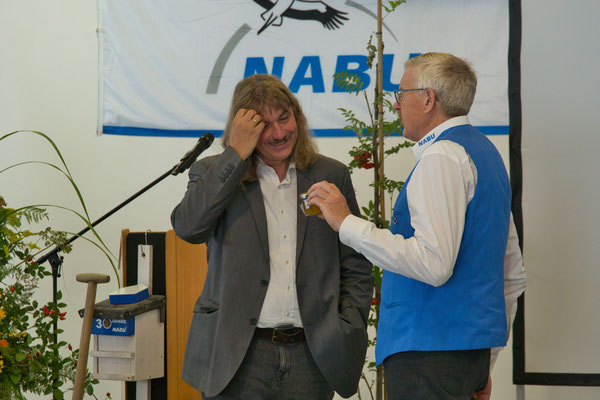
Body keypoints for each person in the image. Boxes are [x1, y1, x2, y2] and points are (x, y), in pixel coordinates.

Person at [307, 52, 527, 400]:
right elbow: (512, 273)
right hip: (467, 357)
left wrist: (346, 222)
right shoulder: (487, 154)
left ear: (428, 100)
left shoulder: (440, 157)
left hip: (428, 359)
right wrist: (484, 363)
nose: (396, 106)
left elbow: (434, 263)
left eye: (401, 94)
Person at [171, 74, 373, 399]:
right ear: (243, 129)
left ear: (298, 117)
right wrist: (235, 153)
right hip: (238, 355)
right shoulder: (213, 172)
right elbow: (188, 228)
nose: (279, 133)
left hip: (313, 354)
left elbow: (355, 262)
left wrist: (348, 321)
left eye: (284, 118)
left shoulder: (330, 174)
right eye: (264, 125)